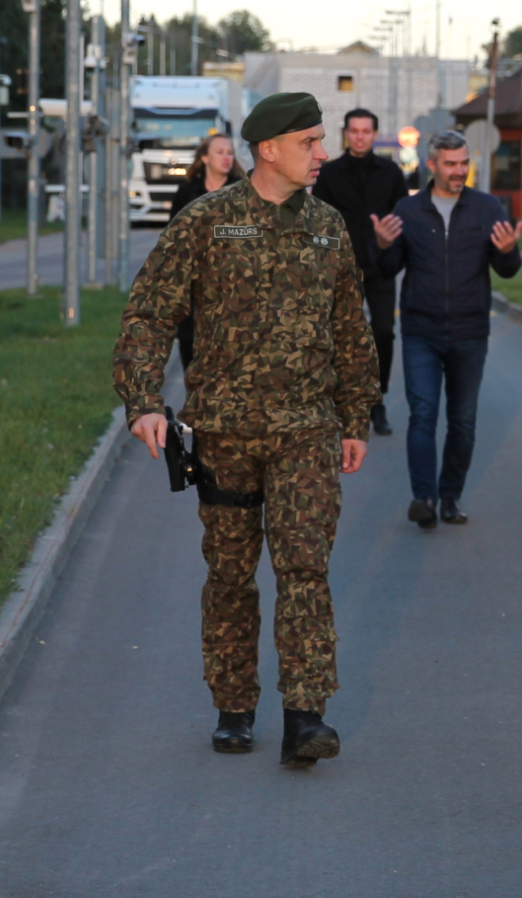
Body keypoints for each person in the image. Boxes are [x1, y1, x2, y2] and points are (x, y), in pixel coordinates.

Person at [113, 92, 380, 768]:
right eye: (309, 142)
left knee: (304, 568)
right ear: (268, 149)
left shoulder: (328, 226)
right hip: (225, 433)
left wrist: (355, 416)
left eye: (321, 140)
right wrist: (144, 401)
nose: (321, 154)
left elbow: (351, 328)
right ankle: (234, 704)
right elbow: (148, 313)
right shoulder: (207, 221)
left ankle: (305, 714)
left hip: (306, 431)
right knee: (231, 575)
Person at [372, 129, 522, 529]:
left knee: (463, 420)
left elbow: (507, 270)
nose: (459, 171)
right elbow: (388, 269)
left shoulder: (487, 208)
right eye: (451, 164)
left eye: (464, 163)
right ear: (431, 165)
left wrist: (510, 252)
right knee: (423, 414)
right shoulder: (408, 210)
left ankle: (450, 497)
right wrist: (382, 246)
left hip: (470, 332)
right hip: (420, 331)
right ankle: (424, 496)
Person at [313, 109, 410, 436]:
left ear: (375, 135)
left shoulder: (391, 173)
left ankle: (376, 402)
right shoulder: (329, 174)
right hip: (340, 269)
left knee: (383, 332)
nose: (359, 137)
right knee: (340, 337)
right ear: (346, 133)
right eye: (354, 131)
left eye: (366, 131)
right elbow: (318, 221)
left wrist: (392, 247)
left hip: (382, 266)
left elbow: (402, 218)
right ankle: (342, 402)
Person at [168, 134, 246, 369]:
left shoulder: (242, 193)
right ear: (205, 157)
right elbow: (173, 238)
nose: (226, 157)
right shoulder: (186, 192)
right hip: (194, 287)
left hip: (231, 288)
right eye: (220, 152)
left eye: (230, 153)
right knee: (192, 358)